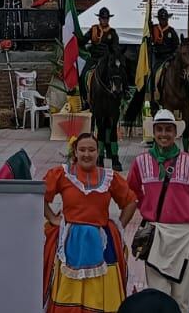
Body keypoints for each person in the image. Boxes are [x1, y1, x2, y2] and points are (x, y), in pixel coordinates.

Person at [126, 110, 189, 312]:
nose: (163, 134)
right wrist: (145, 205)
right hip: (155, 235)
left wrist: (185, 209)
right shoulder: (141, 162)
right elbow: (130, 191)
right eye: (159, 130)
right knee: (158, 297)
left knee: (182, 296)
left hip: (183, 235)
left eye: (168, 130)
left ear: (175, 133)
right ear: (153, 132)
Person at [43, 130, 137, 313]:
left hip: (101, 244)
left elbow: (130, 201)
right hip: (70, 243)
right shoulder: (62, 174)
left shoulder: (110, 177)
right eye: (82, 150)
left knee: (99, 293)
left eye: (91, 150)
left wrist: (119, 227)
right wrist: (52, 218)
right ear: (75, 152)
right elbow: (39, 196)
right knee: (68, 292)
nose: (87, 154)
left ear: (98, 152)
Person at [147, 8, 180, 104]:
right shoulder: (153, 29)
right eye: (161, 19)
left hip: (170, 58)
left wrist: (173, 55)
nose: (163, 21)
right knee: (153, 72)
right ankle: (153, 94)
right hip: (158, 57)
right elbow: (149, 39)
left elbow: (177, 46)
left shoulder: (171, 32)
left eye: (165, 19)